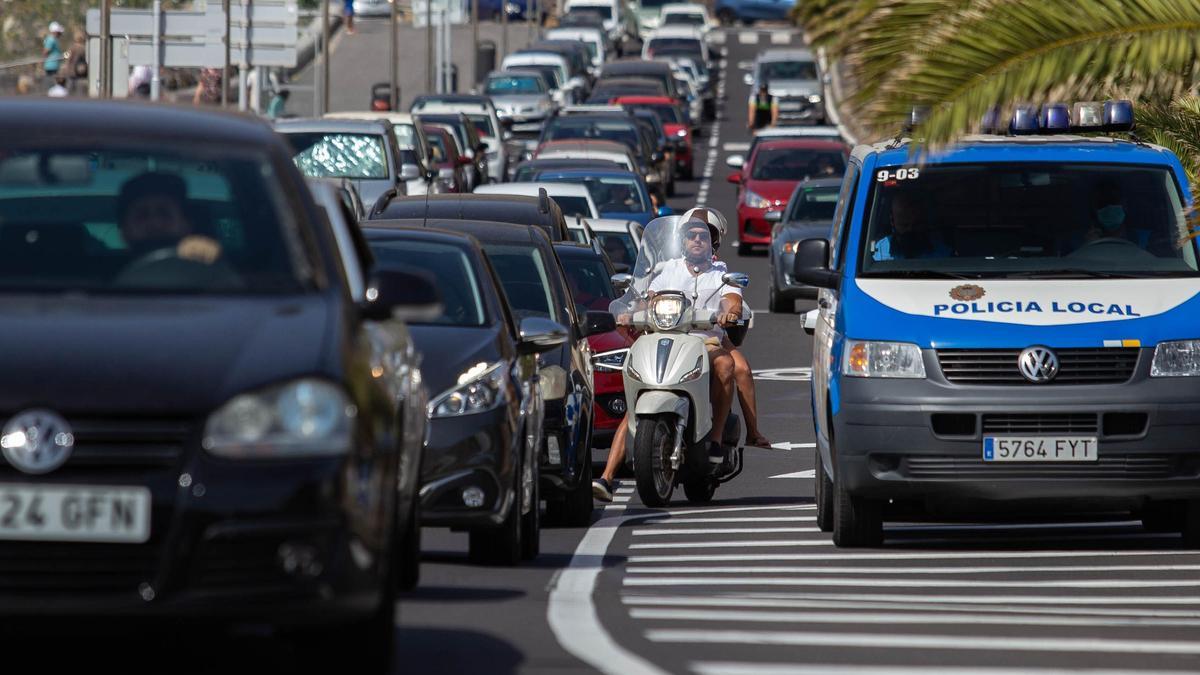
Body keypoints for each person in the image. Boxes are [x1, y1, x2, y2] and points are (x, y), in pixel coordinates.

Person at [684, 207, 770, 449]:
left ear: (716, 239)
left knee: (740, 368)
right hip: (676, 333)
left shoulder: (720, 270)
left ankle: (752, 432)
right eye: (692, 234)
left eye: (707, 234)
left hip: (713, 335)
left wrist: (726, 314)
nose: (699, 239)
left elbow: (732, 300)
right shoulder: (670, 268)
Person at [116, 172, 222, 265]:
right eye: (142, 216)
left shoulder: (215, 275)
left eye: (165, 213)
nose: (155, 223)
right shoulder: (103, 280)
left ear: (186, 225)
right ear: (124, 230)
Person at [872, 191, 952, 261]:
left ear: (924, 221)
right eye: (904, 225)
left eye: (916, 224)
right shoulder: (880, 250)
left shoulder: (942, 250)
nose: (910, 230)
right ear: (892, 221)